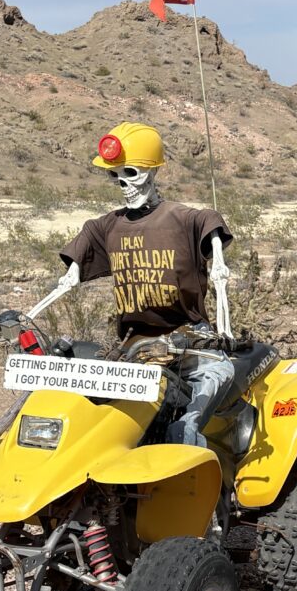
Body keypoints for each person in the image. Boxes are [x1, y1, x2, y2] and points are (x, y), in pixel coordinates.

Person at [57, 121, 234, 448]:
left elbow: (208, 220)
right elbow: (73, 267)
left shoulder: (183, 218)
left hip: (190, 341)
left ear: (153, 173)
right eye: (115, 175)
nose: (124, 183)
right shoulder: (107, 226)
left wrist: (218, 262)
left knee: (196, 411)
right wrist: (69, 276)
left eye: (131, 173)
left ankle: (197, 484)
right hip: (132, 347)